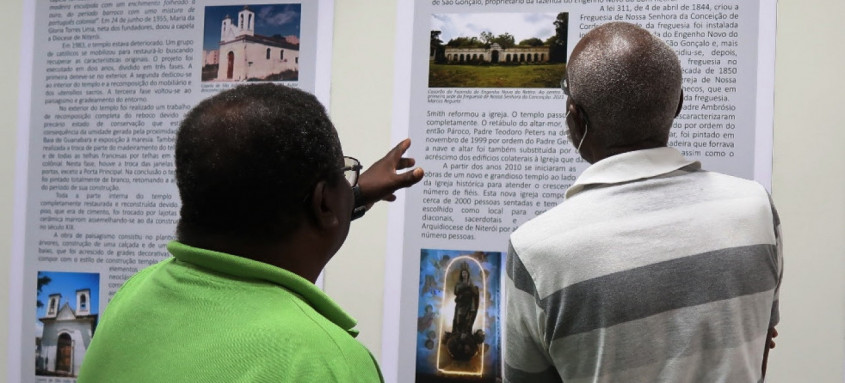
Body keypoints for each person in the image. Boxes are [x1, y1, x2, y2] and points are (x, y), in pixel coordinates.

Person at [77, 84, 424, 382]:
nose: (351, 185)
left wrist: (352, 195)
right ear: (323, 204)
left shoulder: (133, 294)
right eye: (345, 174)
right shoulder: (327, 361)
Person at [505, 22, 782, 382]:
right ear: (679, 103)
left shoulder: (536, 250)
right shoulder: (756, 208)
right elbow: (758, 351)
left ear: (575, 118)